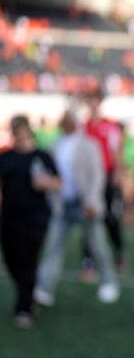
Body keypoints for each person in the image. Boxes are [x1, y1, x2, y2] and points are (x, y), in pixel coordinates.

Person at [34, 110, 120, 306]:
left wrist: (91, 201)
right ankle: (44, 286)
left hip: (84, 204)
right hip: (62, 204)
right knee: (53, 246)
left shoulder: (89, 145)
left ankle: (109, 281)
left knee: (97, 245)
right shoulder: (55, 145)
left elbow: (97, 176)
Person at [0, 115, 61, 329]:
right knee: (11, 260)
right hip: (9, 218)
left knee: (28, 259)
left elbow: (58, 182)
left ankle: (24, 307)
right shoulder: (6, 157)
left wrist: (46, 182)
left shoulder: (42, 156)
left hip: (35, 218)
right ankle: (26, 293)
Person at [82, 90, 127, 276]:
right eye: (89, 100)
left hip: (107, 177)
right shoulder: (83, 127)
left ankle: (119, 254)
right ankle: (88, 260)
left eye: (95, 100)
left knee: (110, 218)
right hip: (89, 179)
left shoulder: (109, 126)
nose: (92, 104)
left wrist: (117, 172)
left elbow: (117, 150)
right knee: (88, 217)